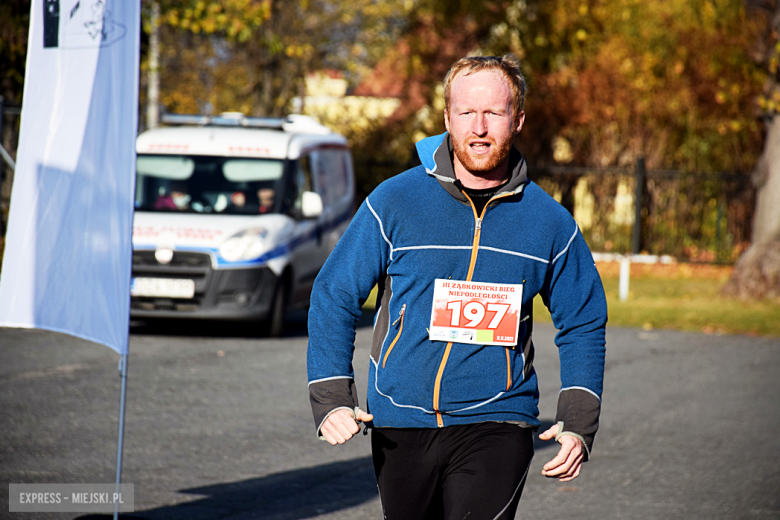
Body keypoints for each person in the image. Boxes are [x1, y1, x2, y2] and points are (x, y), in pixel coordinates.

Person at [307, 54, 607, 520]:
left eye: (495, 112)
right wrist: (330, 399)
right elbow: (335, 292)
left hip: (498, 418)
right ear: (448, 118)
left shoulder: (548, 222)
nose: (480, 127)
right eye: (467, 112)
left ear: (518, 120)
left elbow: (584, 318)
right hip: (400, 418)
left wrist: (578, 421)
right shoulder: (394, 200)